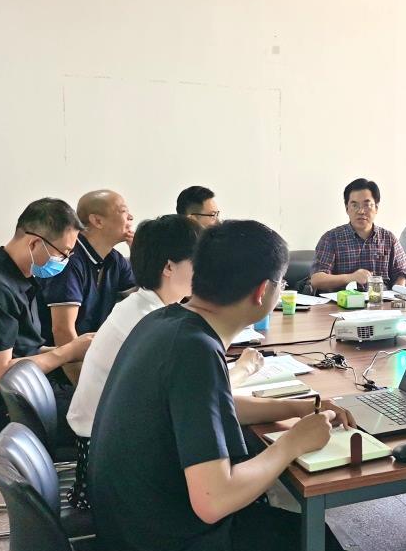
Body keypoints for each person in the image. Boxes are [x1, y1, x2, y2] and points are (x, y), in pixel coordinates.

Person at [87, 220, 406, 551]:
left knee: (312, 541)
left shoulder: (167, 322)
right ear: (263, 292)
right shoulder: (194, 350)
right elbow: (213, 499)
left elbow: (211, 406)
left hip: (142, 546)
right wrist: (292, 443)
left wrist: (299, 408)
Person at [65, 215, 261, 509]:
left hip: (110, 442)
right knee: (229, 458)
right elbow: (200, 392)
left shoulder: (146, 306)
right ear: (169, 267)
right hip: (113, 466)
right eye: (200, 262)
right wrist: (241, 370)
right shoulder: (149, 320)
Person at [0, 198, 93, 449]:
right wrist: (67, 352)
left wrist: (78, 348)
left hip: (24, 397)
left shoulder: (18, 279)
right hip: (5, 414)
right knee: (113, 421)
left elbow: (25, 349)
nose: (65, 260)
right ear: (34, 243)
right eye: (63, 253)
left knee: (105, 403)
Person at [39, 190, 135, 352]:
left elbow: (147, 294)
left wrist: (139, 253)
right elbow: (62, 332)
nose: (131, 217)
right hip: (56, 359)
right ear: (97, 221)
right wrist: (86, 370)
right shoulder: (69, 261)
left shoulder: (114, 259)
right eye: (123, 211)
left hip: (91, 353)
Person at [311, 178, 406, 291]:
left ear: (376, 208)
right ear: (347, 209)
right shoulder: (331, 238)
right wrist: (351, 277)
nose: (361, 211)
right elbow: (316, 280)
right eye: (355, 205)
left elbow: (402, 272)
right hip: (343, 300)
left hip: (381, 300)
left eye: (367, 205)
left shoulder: (388, 238)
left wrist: (398, 290)